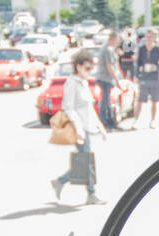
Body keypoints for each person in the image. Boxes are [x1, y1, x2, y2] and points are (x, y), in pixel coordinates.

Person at [51, 49, 107, 205]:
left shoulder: (83, 82)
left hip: (87, 128)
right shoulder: (71, 83)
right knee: (86, 162)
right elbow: (68, 107)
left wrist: (100, 127)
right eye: (87, 68)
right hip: (78, 129)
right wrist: (79, 128)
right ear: (78, 67)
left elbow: (89, 108)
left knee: (85, 161)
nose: (90, 71)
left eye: (91, 68)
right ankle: (90, 193)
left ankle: (61, 182)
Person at [133, 29, 159, 129]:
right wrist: (137, 76)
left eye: (150, 37)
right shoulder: (142, 49)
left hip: (154, 77)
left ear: (154, 38)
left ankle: (153, 120)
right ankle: (136, 120)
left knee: (154, 100)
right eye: (146, 37)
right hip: (144, 77)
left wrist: (157, 67)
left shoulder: (158, 50)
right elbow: (138, 63)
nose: (148, 39)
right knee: (140, 100)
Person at [98, 31, 122, 130]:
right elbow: (110, 66)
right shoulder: (108, 50)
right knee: (105, 102)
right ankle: (105, 124)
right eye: (117, 41)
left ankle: (109, 123)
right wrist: (117, 80)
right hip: (105, 79)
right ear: (113, 39)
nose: (118, 43)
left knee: (107, 101)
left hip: (104, 78)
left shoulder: (106, 48)